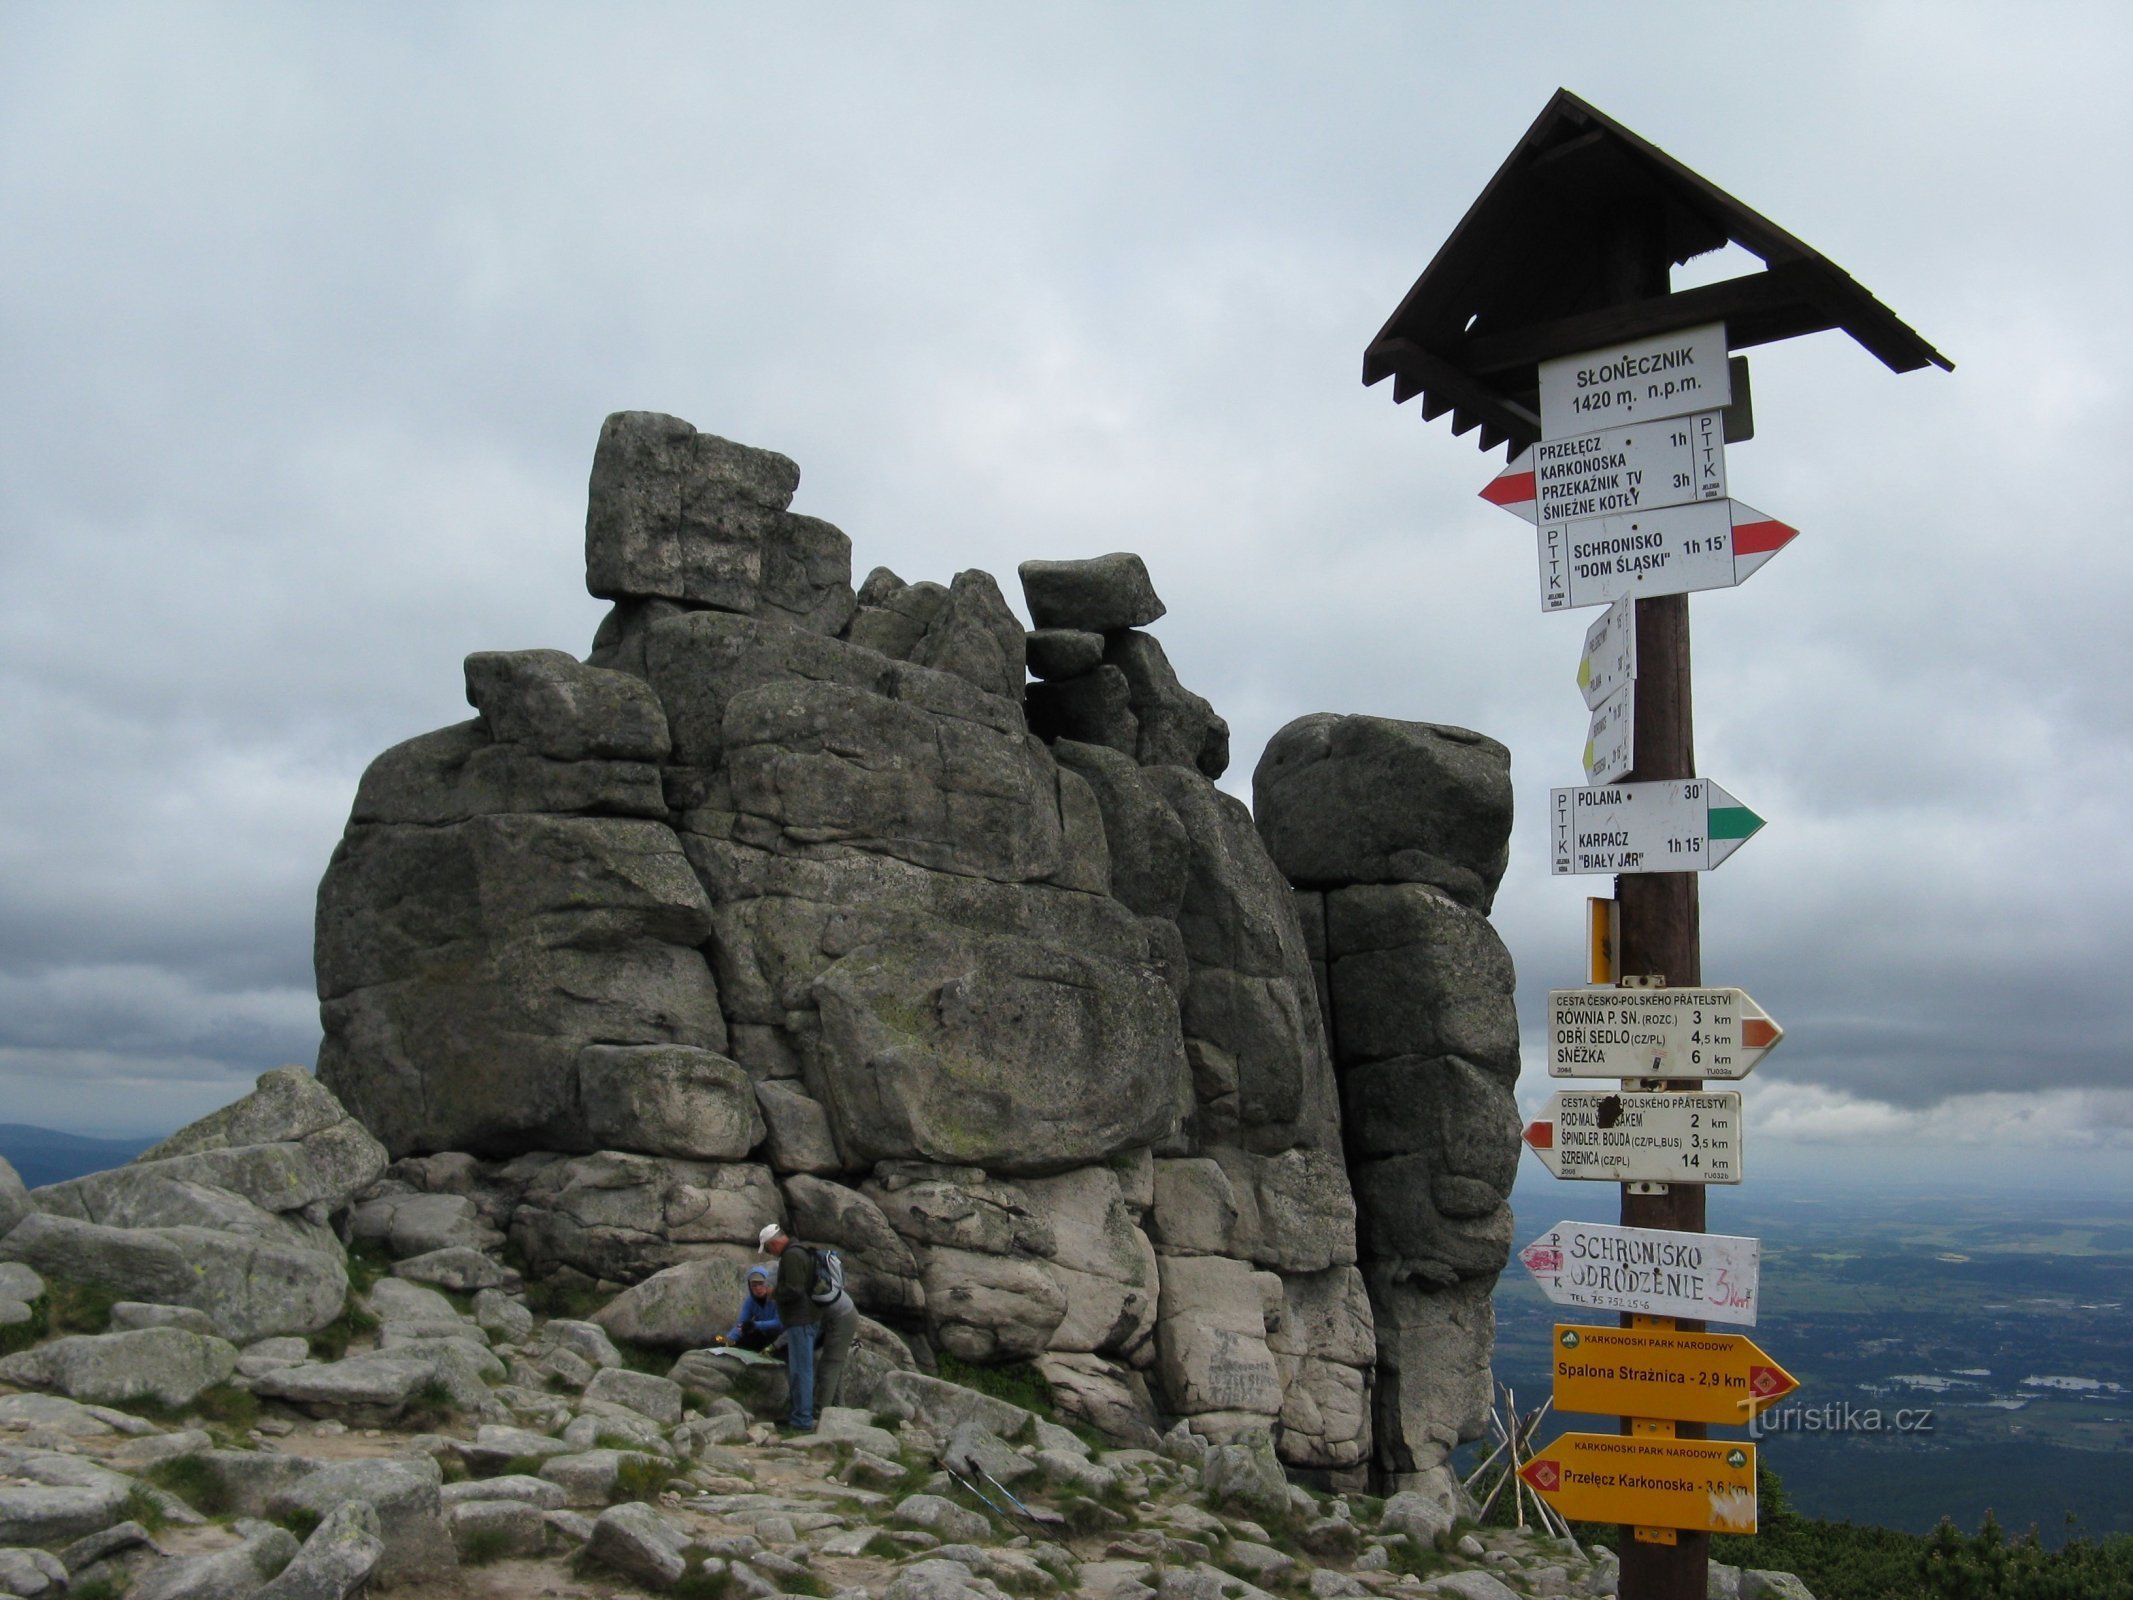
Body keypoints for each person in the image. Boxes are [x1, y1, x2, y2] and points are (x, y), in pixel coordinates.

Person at [758, 1220, 858, 1433]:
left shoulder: (792, 1256)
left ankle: (806, 1419)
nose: (769, 1253)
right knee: (809, 1368)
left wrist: (774, 1293)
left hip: (808, 1319)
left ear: (773, 1244)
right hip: (813, 1318)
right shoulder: (800, 1250)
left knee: (807, 1369)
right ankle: (817, 1413)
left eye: (767, 1249)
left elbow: (794, 1290)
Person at [714, 1262, 782, 1352]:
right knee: (746, 1336)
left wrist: (755, 1325)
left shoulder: (777, 1299)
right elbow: (741, 1324)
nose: (758, 1288)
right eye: (754, 1285)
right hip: (763, 1336)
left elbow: (779, 1322)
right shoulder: (750, 1302)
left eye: (761, 1284)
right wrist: (729, 1339)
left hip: (780, 1336)